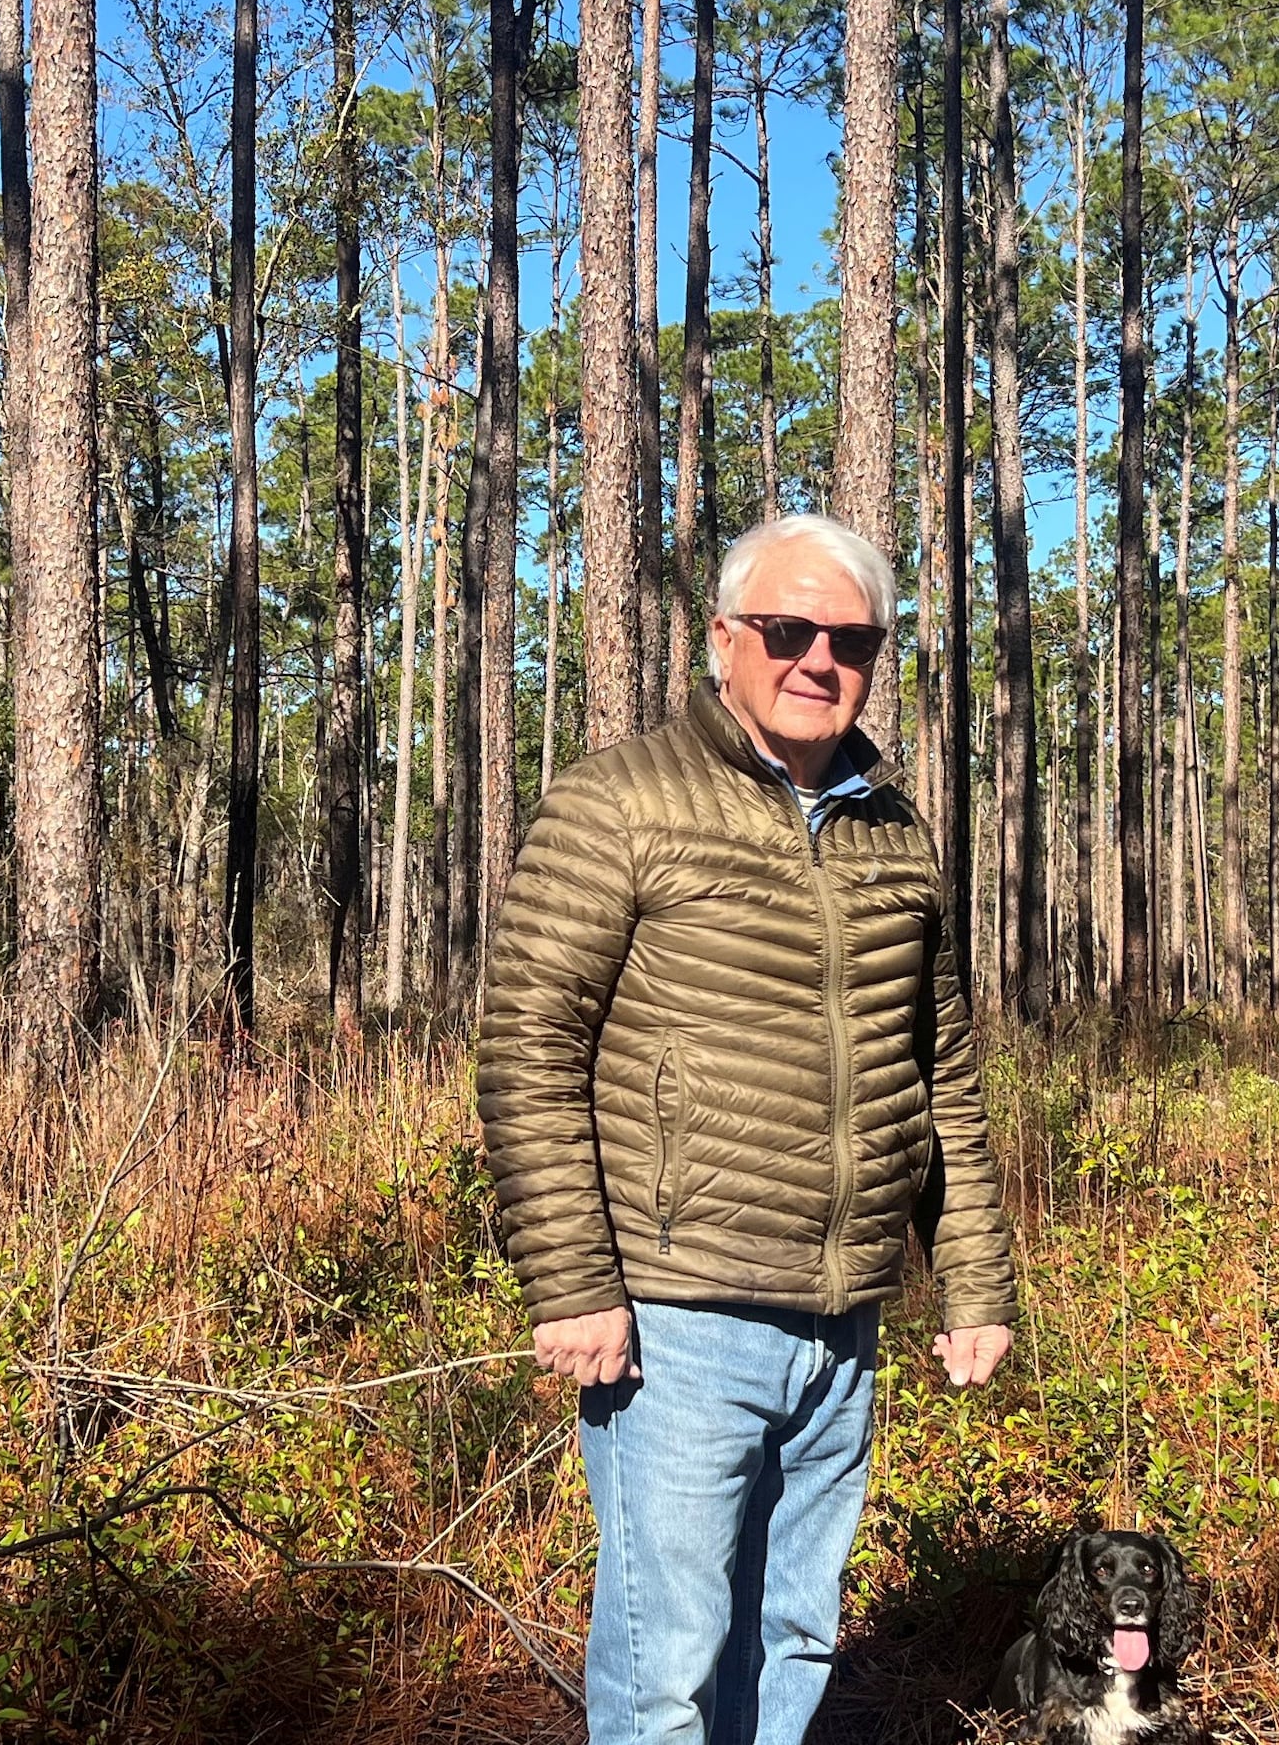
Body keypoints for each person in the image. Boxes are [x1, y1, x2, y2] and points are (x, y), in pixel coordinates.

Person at [476, 512, 1015, 1744]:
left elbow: (943, 1074)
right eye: (787, 629)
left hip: (843, 1328)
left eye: (852, 639)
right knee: (665, 1667)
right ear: (725, 639)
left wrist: (974, 1280)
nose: (818, 658)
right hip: (677, 1324)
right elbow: (527, 1051)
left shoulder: (895, 832)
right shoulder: (620, 803)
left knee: (794, 1642)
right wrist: (575, 1284)